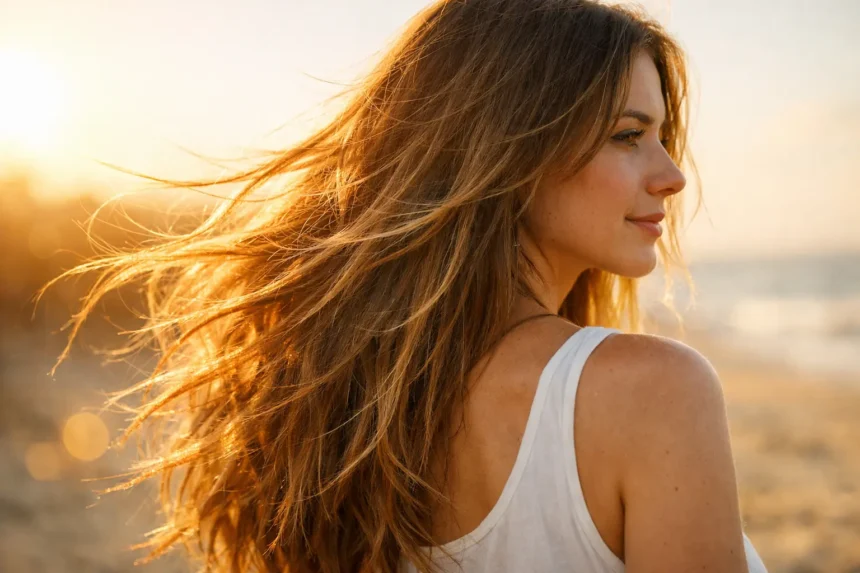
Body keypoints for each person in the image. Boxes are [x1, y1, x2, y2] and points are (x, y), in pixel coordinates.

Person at [46, 0, 769, 571]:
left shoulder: (341, 401)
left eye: (664, 136)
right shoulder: (654, 392)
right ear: (509, 145)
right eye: (627, 134)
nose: (672, 174)